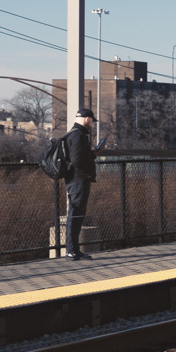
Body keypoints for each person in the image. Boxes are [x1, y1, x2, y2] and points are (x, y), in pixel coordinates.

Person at [65, 108, 98, 260]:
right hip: (78, 180)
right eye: (92, 121)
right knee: (75, 214)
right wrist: (91, 157)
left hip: (76, 180)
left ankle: (74, 250)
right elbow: (77, 160)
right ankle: (71, 251)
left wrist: (93, 153)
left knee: (77, 214)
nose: (92, 124)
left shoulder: (74, 134)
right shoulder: (78, 136)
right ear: (87, 119)